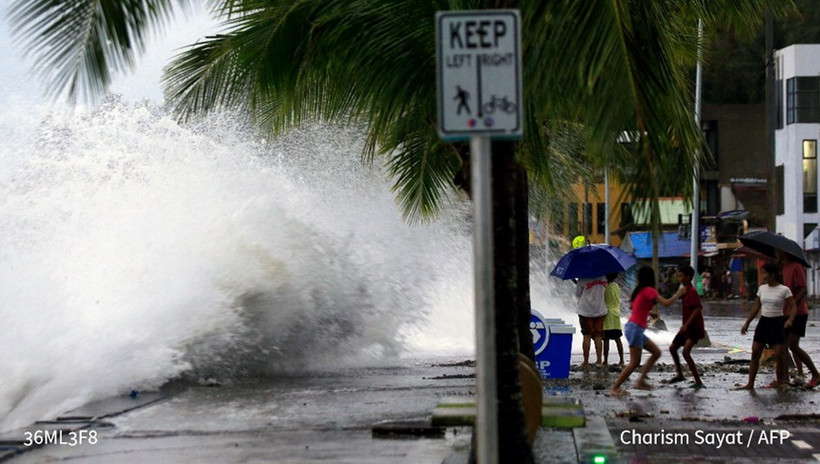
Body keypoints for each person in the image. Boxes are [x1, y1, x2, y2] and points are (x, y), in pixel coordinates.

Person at [610, 266, 684, 396]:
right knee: (634, 362)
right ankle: (615, 388)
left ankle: (641, 380)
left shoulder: (639, 291)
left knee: (656, 352)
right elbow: (666, 303)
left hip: (632, 327)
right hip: (635, 329)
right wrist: (679, 293)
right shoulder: (650, 290)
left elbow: (633, 307)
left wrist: (649, 313)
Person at [734, 262, 796, 390]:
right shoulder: (762, 288)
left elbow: (793, 306)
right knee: (755, 352)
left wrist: (790, 320)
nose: (763, 276)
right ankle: (750, 383)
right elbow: (757, 306)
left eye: (765, 273)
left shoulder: (784, 290)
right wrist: (747, 323)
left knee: (779, 354)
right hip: (764, 322)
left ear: (772, 275)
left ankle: (780, 381)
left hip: (777, 322)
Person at [776, 250, 820, 388]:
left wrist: (792, 304)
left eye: (777, 251)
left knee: (793, 345)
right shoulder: (783, 267)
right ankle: (783, 379)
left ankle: (815, 374)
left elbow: (803, 289)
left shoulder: (796, 266)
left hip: (799, 313)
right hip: (784, 312)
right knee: (782, 347)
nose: (776, 253)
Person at [664, 265, 706, 388]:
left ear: (688, 277)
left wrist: (686, 325)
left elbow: (697, 309)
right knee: (672, 348)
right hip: (686, 326)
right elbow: (671, 300)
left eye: (681, 275)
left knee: (686, 352)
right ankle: (680, 374)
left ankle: (698, 381)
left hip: (693, 327)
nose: (679, 278)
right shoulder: (684, 290)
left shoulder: (692, 292)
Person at [575, 275, 608, 369]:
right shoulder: (603, 277)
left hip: (585, 311)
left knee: (587, 335)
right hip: (600, 309)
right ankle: (599, 360)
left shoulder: (582, 278)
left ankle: (586, 361)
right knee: (598, 335)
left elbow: (577, 294)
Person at [603, 273, 625, 366]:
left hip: (607, 313)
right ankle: (622, 360)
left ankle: (606, 360)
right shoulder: (616, 286)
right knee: (617, 338)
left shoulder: (605, 287)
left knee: (606, 339)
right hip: (616, 313)